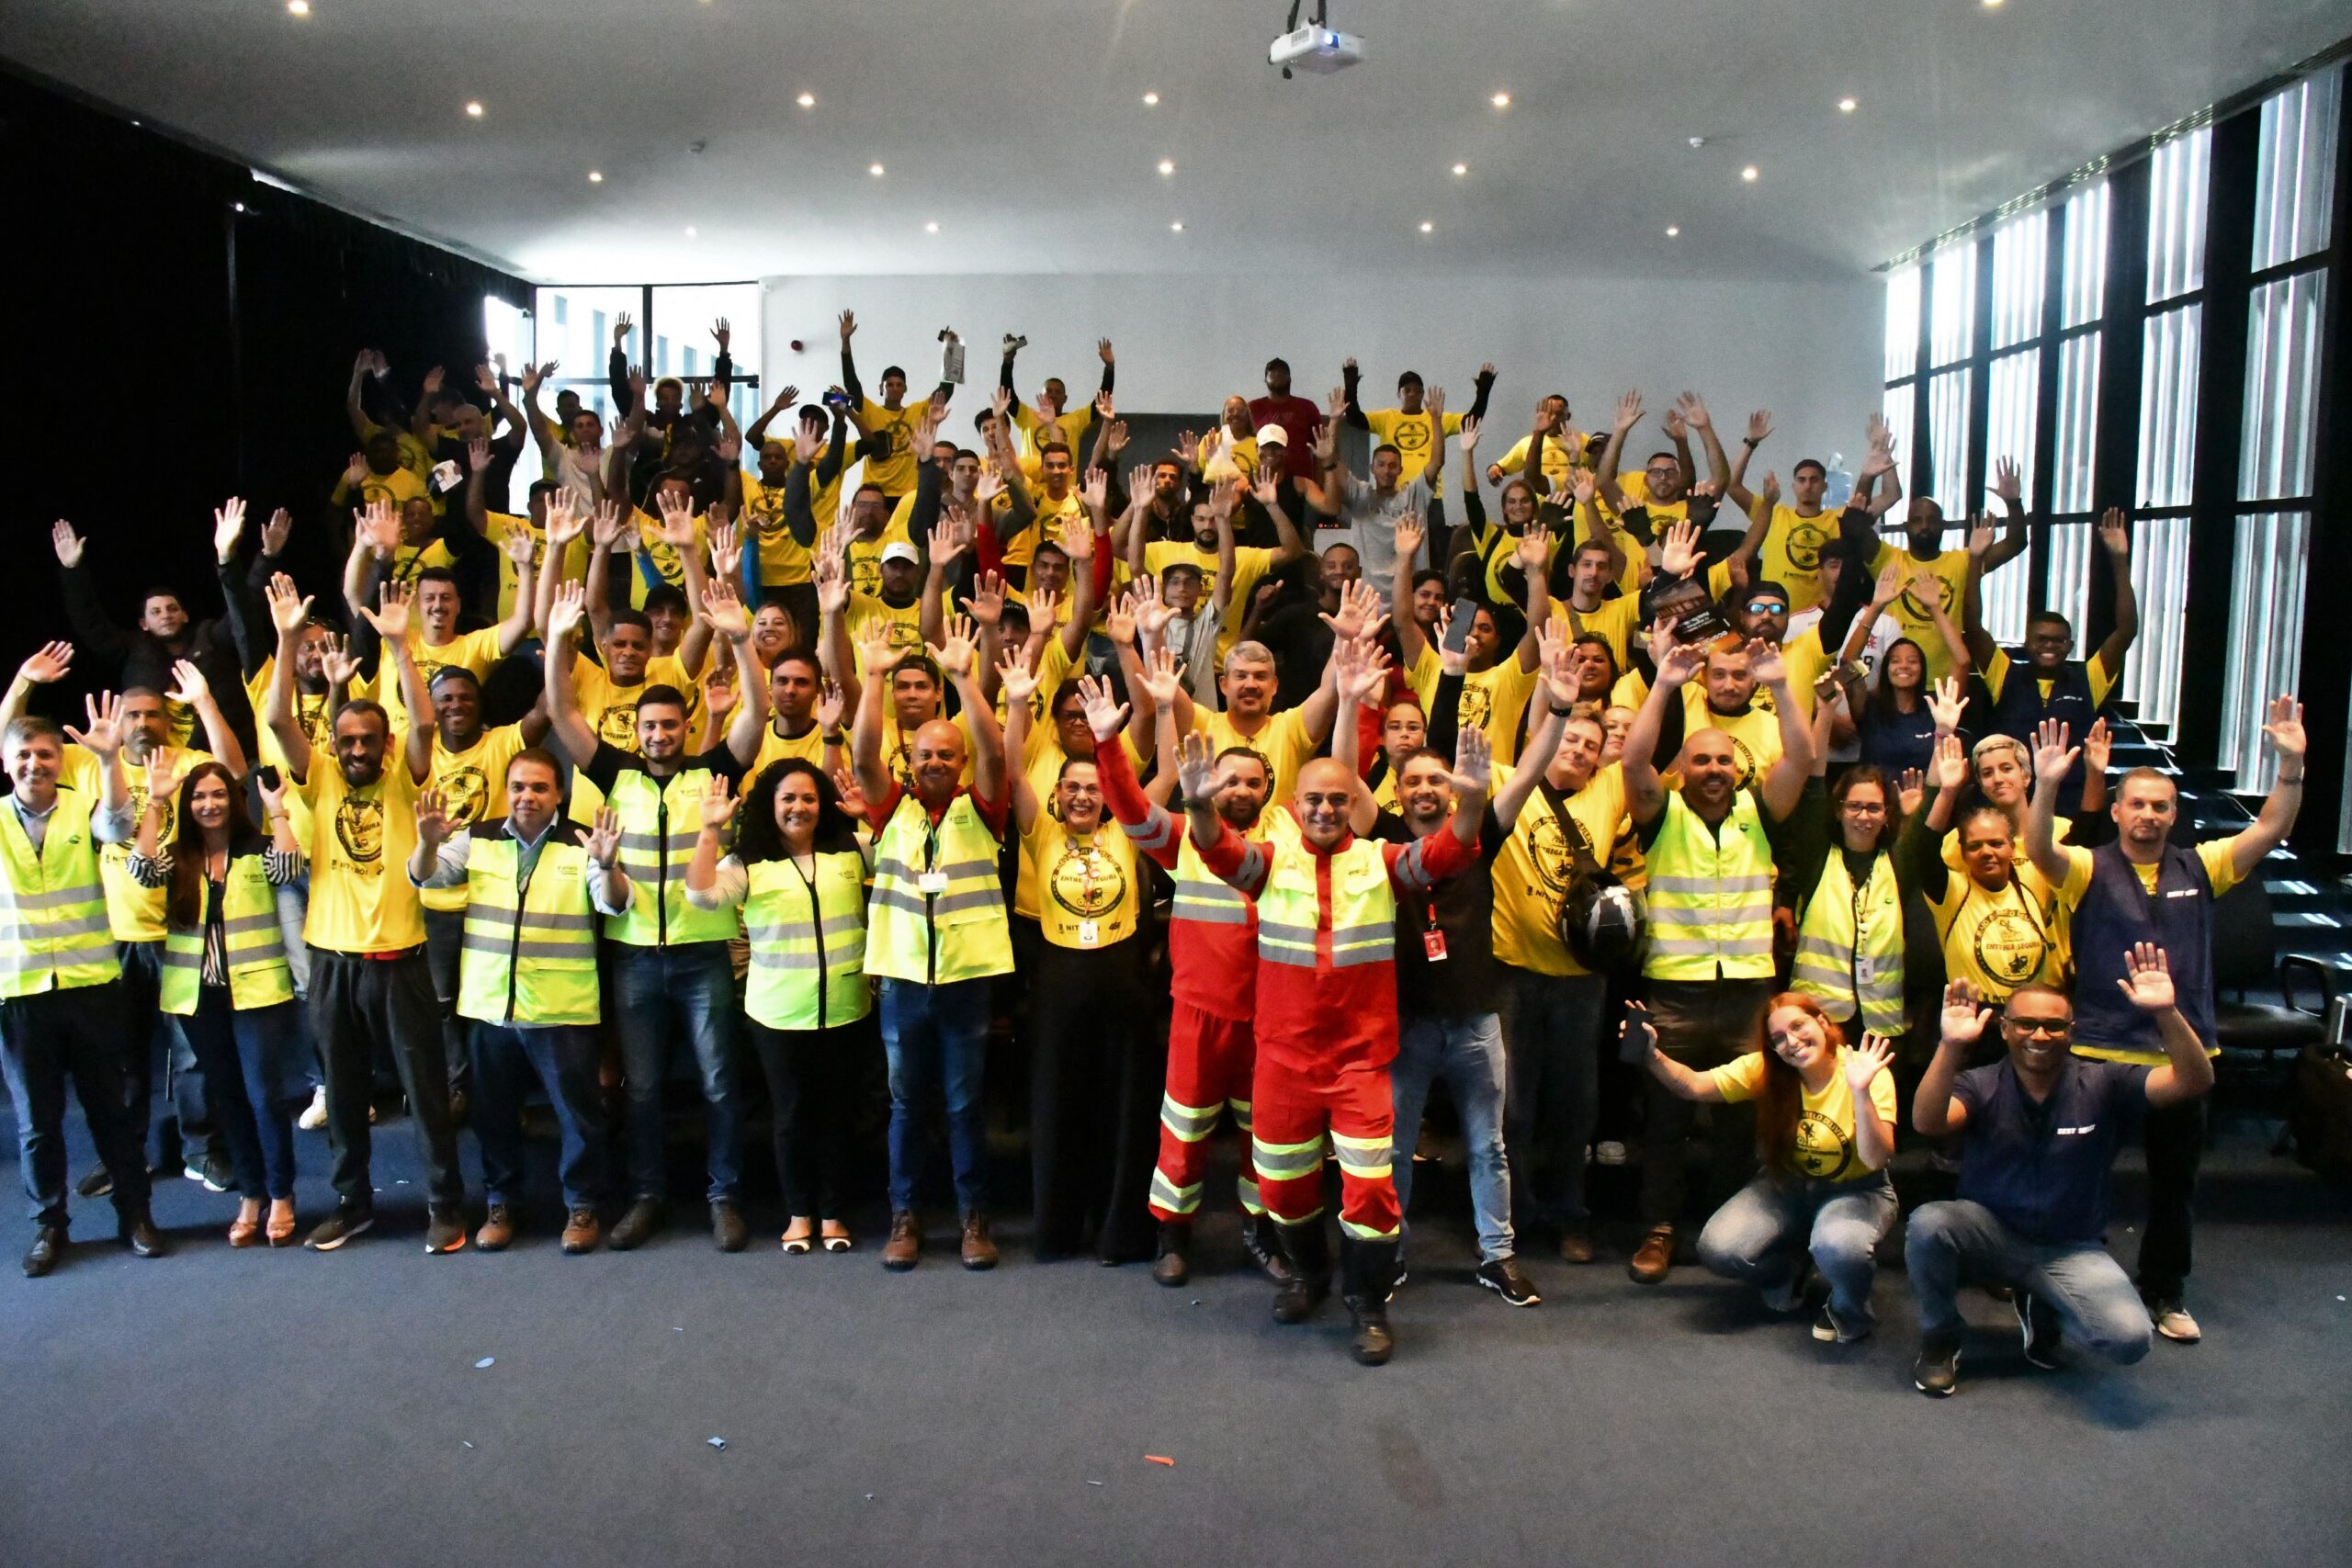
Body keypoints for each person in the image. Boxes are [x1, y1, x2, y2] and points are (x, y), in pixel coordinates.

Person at [1177, 709, 1491, 1366]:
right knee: (1284, 1187)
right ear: (1294, 807)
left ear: (1356, 805)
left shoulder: (1384, 863)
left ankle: (1367, 1302)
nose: (1325, 808)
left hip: (1359, 1063)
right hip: (1284, 1060)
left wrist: (1477, 797)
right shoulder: (1266, 863)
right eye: (1314, 799)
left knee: (1371, 1191)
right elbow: (1214, 849)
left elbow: (1450, 850)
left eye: (1337, 799)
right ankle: (1310, 1273)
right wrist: (1198, 803)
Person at [2024, 702, 2306, 1344]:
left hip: (2182, 1058)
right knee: (2082, 1178)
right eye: (2138, 804)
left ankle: (2164, 1289)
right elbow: (2039, 848)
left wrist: (2289, 767)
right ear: (2118, 810)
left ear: (2174, 814)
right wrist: (2046, 785)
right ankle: (2071, 1284)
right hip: (2101, 1055)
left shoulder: (2201, 865)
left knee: (2175, 1188)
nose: (2149, 814)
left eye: (2161, 806)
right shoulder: (2090, 866)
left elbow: (2268, 828)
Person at [1349, 632, 1580, 1307]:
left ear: (1453, 790)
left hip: (1478, 1019)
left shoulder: (1479, 834)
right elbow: (1340, 768)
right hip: (1406, 1024)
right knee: (1391, 1152)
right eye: (1414, 779)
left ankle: (1496, 1255)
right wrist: (1349, 697)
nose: (1425, 788)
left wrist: (1559, 711)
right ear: (1397, 787)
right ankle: (1389, 1252)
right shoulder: (1382, 835)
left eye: (1436, 780)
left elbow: (1532, 773)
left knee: (1490, 1147)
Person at [545, 574, 768, 1252]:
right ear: (636, 731)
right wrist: (557, 640)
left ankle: (724, 1197)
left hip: (703, 954)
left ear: (684, 727)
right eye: (650, 726)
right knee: (640, 1091)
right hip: (635, 955)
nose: (662, 734)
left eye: (671, 724)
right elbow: (562, 714)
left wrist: (740, 642)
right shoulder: (616, 773)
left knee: (720, 1084)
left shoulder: (716, 772)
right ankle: (646, 1197)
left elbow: (756, 717)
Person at [265, 572, 467, 1252]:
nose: (355, 749)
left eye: (366, 740)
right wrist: (290, 639)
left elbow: (427, 719)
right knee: (344, 1099)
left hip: (401, 963)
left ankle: (444, 1204)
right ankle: (352, 1203)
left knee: (426, 1095)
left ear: (385, 743)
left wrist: (400, 646)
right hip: (332, 964)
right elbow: (275, 720)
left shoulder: (407, 778)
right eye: (346, 740)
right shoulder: (317, 774)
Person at [1906, 958, 2214, 1395]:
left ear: (2071, 1032)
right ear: (2006, 1030)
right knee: (1929, 1223)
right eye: (2026, 1024)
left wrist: (2166, 1012)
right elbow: (1928, 1122)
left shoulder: (2104, 1081)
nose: (2039, 1035)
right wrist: (1951, 1046)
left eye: (2054, 1026)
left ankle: (2041, 1302)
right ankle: (1941, 1336)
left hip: (2068, 1248)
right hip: (1991, 1235)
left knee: (2128, 1339)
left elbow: (2194, 1081)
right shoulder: (1981, 1084)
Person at [1619, 620, 1814, 1283]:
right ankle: (1660, 1227)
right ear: (1684, 769)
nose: (1712, 770)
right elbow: (1633, 763)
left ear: (1738, 767)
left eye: (1723, 760)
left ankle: (1731, 1223)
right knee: (1665, 1120)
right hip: (1674, 989)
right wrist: (1665, 683)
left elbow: (1803, 760)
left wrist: (1782, 688)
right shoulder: (1661, 813)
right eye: (1700, 760)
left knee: (1739, 1121)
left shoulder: (1759, 811)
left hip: (1747, 993)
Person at [1098, 647, 1292, 1286]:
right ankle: (1172, 1238)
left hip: (1267, 1022)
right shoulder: (1184, 834)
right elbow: (1127, 810)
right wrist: (1107, 746)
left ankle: (1259, 1233)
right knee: (1181, 1133)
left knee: (1265, 1139)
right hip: (1198, 1016)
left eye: (1250, 782)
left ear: (1267, 789)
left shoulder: (1285, 842)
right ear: (1208, 783)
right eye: (1226, 780)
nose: (1237, 789)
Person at [850, 611, 1012, 1272]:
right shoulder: (891, 807)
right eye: (926, 755)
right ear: (909, 762)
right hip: (903, 984)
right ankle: (905, 1215)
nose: (938, 761)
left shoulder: (984, 806)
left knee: (965, 1105)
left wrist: (963, 677)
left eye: (948, 753)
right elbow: (862, 755)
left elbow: (998, 752)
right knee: (906, 1106)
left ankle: (975, 1219)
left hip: (968, 984)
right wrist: (873, 677)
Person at [411, 752, 623, 1255]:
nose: (527, 796)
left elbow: (613, 902)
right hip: (490, 1007)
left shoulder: (581, 842)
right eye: (518, 787)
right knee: (494, 1115)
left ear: (558, 795)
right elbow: (426, 878)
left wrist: (609, 863)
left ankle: (581, 1207)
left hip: (562, 1007)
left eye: (540, 788)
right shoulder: (478, 838)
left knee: (578, 1115)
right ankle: (500, 1204)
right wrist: (426, 843)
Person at [0, 698, 164, 1276]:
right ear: (5, 761)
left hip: (92, 988)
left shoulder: (81, 809)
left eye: (45, 753)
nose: (34, 763)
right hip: (21, 997)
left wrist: (110, 760)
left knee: (111, 1112)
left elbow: (119, 826)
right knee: (37, 1124)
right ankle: (49, 1226)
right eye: (23, 754)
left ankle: (136, 1216)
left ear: (59, 761)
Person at [685, 760, 872, 1254]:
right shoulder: (748, 861)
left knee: (836, 1115)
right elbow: (702, 897)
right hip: (778, 1015)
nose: (799, 807)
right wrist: (709, 831)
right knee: (790, 1115)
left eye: (809, 798)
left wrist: (870, 817)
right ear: (771, 806)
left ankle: (832, 1214)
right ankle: (798, 1214)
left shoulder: (851, 849)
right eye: (788, 799)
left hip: (846, 1006)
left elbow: (902, 862)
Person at [1641, 997, 1899, 1343]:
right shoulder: (1767, 1069)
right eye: (1778, 1038)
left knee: (1838, 1247)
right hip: (1787, 1185)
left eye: (1798, 1026)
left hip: (1856, 1190)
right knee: (1719, 1249)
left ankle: (1848, 1309)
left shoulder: (1864, 1070)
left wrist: (1860, 1091)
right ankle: (1791, 1270)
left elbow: (1875, 1158)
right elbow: (1693, 1085)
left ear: (1822, 1023)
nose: (1791, 1042)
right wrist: (1653, 1056)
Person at [1004, 670, 1154, 1263]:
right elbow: (1013, 770)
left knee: (1122, 1113)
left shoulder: (1131, 830)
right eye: (1074, 788)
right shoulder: (1039, 831)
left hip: (1123, 986)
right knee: (1057, 1108)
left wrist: (1150, 712)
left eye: (1095, 787)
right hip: (1058, 985)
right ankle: (1058, 1230)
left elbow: (1152, 770)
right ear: (1058, 794)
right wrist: (1017, 703)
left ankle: (1121, 1232)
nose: (1085, 796)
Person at [131, 756, 305, 1248]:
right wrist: (157, 800)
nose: (210, 805)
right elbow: (140, 868)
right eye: (200, 797)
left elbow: (291, 867)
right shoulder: (178, 854)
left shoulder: (257, 848)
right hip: (198, 997)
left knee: (265, 1097)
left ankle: (282, 1194)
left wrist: (277, 811)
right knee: (226, 1099)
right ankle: (251, 1195)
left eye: (219, 794)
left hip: (257, 995)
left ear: (234, 800)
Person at [1968, 508, 2138, 812]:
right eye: (2041, 639)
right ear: (2026, 643)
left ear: (2070, 646)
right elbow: (1972, 624)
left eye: (2058, 641)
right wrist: (1975, 559)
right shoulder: (2003, 673)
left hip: (2071, 803)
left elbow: (2126, 630)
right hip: (2012, 802)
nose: (2049, 646)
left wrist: (2119, 560)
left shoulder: (2089, 678)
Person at [838, 310, 954, 502]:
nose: (894, 388)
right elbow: (852, 384)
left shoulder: (918, 411)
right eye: (889, 384)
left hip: (907, 494)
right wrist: (845, 343)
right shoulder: (870, 410)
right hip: (875, 493)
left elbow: (945, 390)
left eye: (899, 384)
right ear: (881, 389)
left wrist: (951, 350)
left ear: (905, 388)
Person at [1248, 357, 1325, 481]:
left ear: (1290, 378)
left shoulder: (1307, 407)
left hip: (1301, 483)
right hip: (1262, 481)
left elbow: (1320, 449)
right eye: (1272, 371)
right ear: (1265, 379)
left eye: (1282, 371)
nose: (1277, 374)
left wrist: (1320, 484)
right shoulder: (1252, 408)